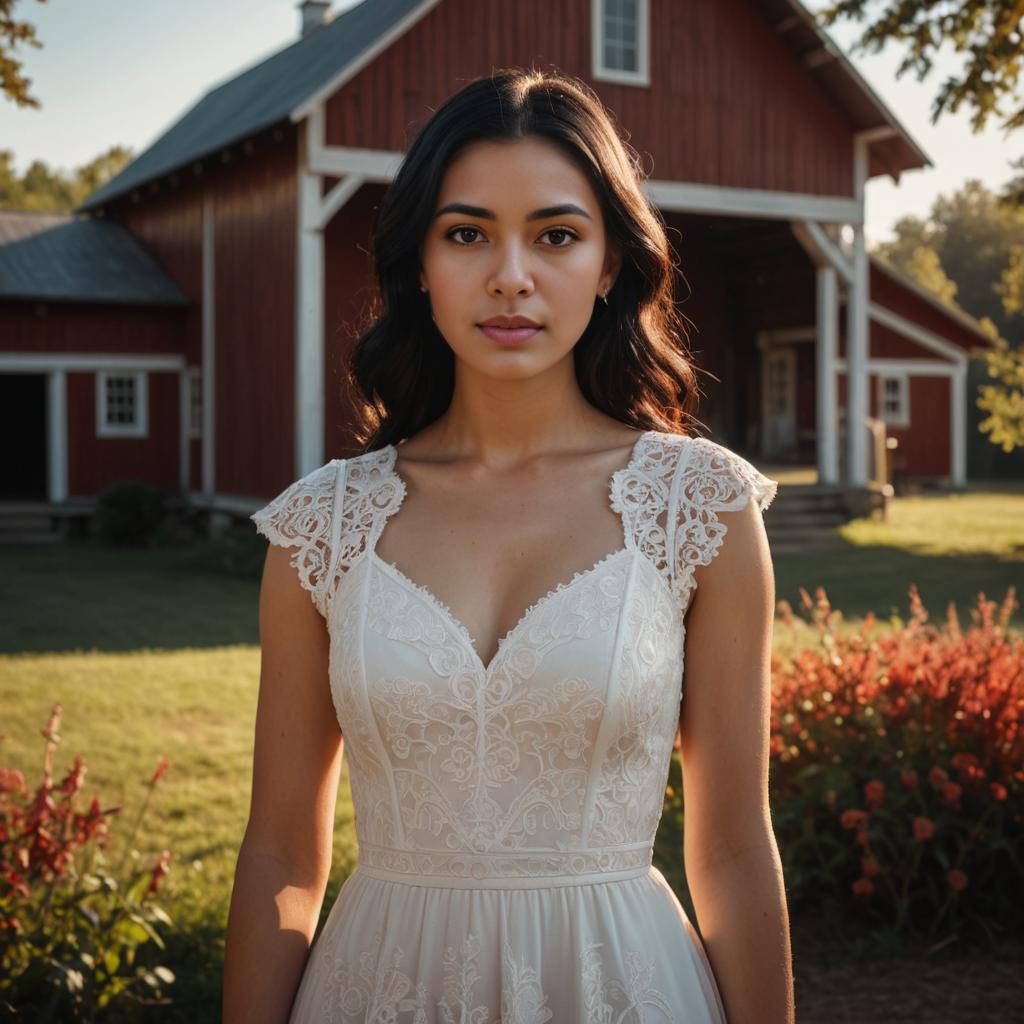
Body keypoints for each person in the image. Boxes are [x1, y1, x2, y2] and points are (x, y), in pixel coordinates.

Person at [223, 67, 795, 1024]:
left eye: (557, 235)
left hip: (621, 986)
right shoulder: (321, 527)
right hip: (376, 989)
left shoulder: (700, 507)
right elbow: (281, 848)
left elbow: (733, 847)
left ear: (610, 263)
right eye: (467, 234)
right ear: (419, 260)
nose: (511, 276)